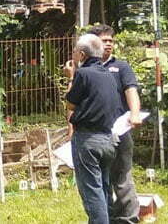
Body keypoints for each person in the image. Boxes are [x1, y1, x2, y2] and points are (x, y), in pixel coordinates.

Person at [65, 34, 124, 224]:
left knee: (92, 192)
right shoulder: (109, 75)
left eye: (75, 51)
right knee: (104, 188)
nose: (73, 55)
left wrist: (71, 77)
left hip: (88, 140)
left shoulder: (83, 74)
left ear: (82, 55)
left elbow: (70, 104)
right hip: (108, 139)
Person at [92, 24, 143, 224]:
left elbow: (131, 91)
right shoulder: (87, 68)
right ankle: (106, 217)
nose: (108, 44)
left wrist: (135, 114)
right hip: (95, 133)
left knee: (122, 177)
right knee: (100, 179)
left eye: (110, 41)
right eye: (104, 40)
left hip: (120, 130)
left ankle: (128, 218)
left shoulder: (121, 67)